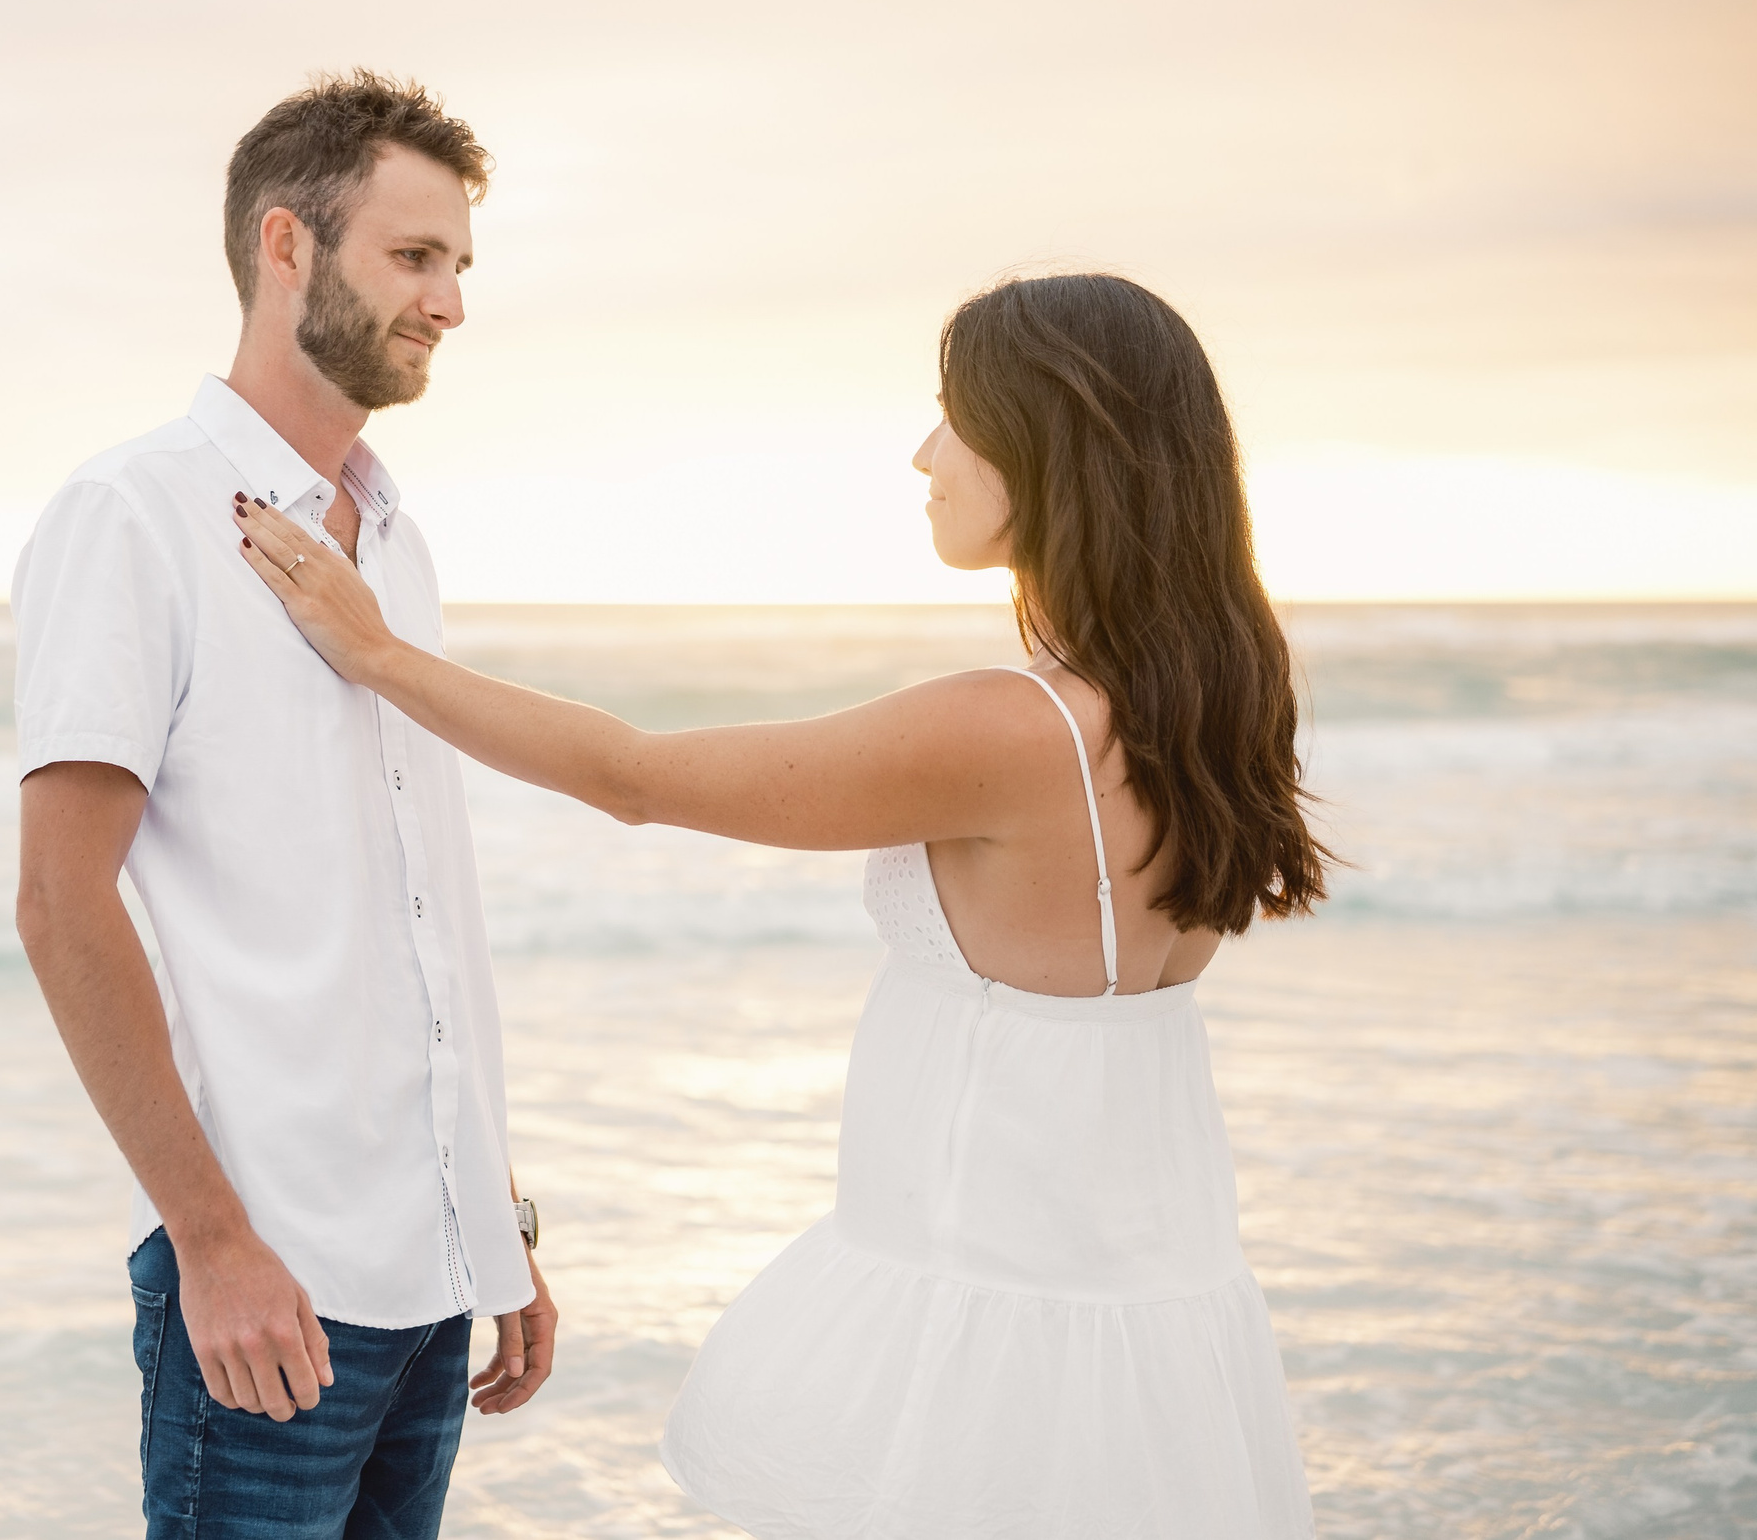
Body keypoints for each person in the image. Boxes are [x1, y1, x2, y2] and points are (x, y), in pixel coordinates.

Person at [230, 271, 1327, 1537]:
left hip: (981, 1347)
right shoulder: (1214, 706)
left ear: (1050, 442)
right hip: (1136, 1328)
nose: (925, 454)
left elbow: (634, 777)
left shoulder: (1013, 727)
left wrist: (374, 654)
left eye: (953, 417)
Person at [10, 71, 555, 1540]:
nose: (449, 301)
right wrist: (212, 1239)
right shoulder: (133, 514)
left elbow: (415, 908)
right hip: (272, 1285)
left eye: (458, 264)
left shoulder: (393, 536)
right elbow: (62, 903)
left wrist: (491, 1217)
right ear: (287, 246)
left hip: (432, 1279)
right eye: (415, 256)